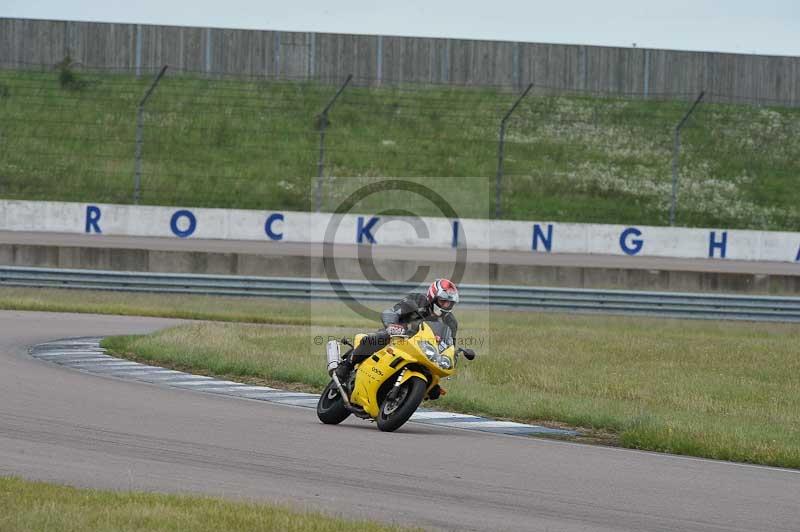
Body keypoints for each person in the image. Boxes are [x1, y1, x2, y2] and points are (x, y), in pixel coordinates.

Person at [335, 278, 472, 382]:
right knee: (376, 338)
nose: (447, 306)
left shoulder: (451, 322)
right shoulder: (417, 300)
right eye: (443, 301)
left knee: (433, 383)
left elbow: (449, 345)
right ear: (433, 297)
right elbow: (391, 312)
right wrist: (392, 325)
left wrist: (453, 355)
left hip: (423, 350)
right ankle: (347, 365)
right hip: (398, 338)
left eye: (450, 303)